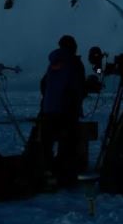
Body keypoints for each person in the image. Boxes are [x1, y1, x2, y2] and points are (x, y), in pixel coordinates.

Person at [37, 35, 86, 187]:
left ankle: (47, 173)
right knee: (67, 143)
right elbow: (79, 87)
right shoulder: (74, 63)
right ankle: (64, 176)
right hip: (66, 110)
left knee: (47, 143)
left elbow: (43, 84)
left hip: (49, 109)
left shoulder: (53, 63)